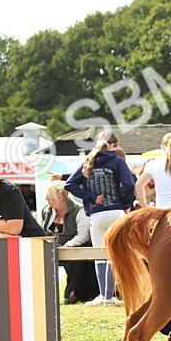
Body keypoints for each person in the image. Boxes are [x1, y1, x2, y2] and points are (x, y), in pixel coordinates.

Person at [66, 131, 136, 307]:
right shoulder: (117, 161)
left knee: (99, 254)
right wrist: (126, 203)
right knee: (114, 254)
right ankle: (111, 296)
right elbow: (128, 184)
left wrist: (90, 197)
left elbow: (70, 184)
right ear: (114, 145)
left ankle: (103, 295)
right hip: (116, 211)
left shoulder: (88, 162)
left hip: (96, 213)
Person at [41, 181, 99, 305]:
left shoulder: (80, 210)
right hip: (52, 247)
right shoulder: (46, 211)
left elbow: (83, 236)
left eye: (48, 195)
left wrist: (67, 246)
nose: (46, 198)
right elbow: (42, 231)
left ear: (60, 197)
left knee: (77, 258)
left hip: (74, 246)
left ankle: (70, 294)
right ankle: (42, 295)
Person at [136, 132, 171, 208]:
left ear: (162, 147)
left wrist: (144, 206)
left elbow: (139, 185)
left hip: (161, 210)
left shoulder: (153, 163)